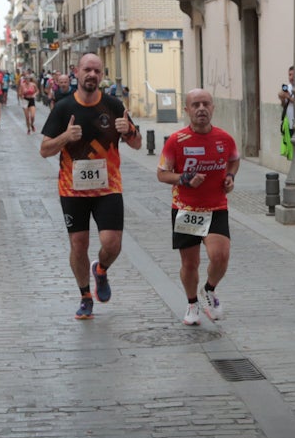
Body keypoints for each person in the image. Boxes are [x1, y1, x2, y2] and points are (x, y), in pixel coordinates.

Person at [39, 52, 142, 320]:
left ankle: (101, 270)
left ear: (101, 75)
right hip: (72, 189)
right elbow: (44, 150)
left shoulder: (113, 105)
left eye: (97, 71)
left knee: (112, 243)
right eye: (87, 70)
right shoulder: (63, 107)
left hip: (108, 187)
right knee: (78, 244)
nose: (92, 75)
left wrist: (128, 131)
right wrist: (65, 137)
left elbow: (137, 143)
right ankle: (85, 296)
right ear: (77, 72)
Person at [156, 89, 239, 327]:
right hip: (187, 209)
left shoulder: (225, 139)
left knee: (220, 256)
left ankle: (208, 291)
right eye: (195, 105)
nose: (201, 108)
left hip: (216, 207)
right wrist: (184, 179)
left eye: (205, 104)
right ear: (187, 110)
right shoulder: (176, 140)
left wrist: (230, 177)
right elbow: (161, 174)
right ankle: (192, 303)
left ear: (213, 108)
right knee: (190, 264)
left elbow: (234, 159)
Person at [278, 65, 295, 160]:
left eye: (293, 75)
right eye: (289, 75)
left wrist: (288, 96)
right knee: (290, 148)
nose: (291, 77)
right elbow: (283, 104)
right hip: (289, 123)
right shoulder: (287, 87)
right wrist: (282, 98)